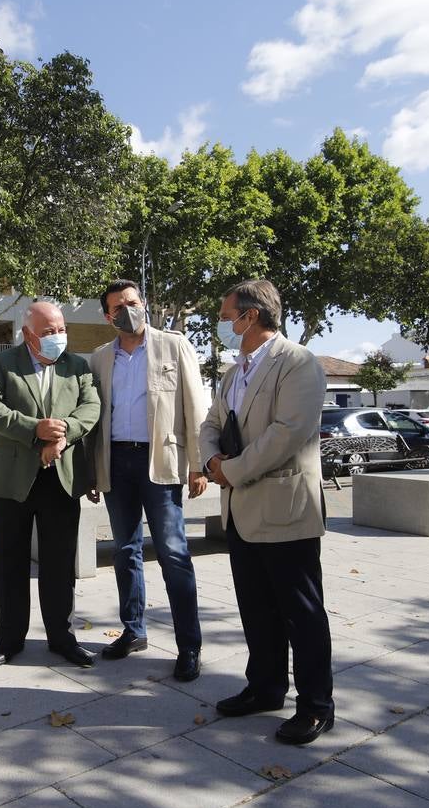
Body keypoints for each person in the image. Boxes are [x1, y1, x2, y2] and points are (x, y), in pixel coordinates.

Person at [199, 279, 334, 746]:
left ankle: (316, 705)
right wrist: (210, 459)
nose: (221, 324)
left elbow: (288, 433)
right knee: (256, 608)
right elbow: (211, 423)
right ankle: (265, 687)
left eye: (224, 315)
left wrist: (230, 470)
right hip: (240, 511)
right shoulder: (235, 372)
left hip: (284, 509)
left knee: (301, 612)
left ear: (250, 316)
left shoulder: (297, 363)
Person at [86, 280, 208, 682]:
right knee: (125, 551)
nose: (128, 309)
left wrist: (199, 464)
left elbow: (195, 405)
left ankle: (189, 645)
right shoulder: (100, 358)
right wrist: (92, 470)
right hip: (116, 462)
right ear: (107, 316)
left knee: (173, 553)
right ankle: (133, 631)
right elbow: (92, 420)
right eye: (118, 306)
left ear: (145, 304)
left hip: (162, 463)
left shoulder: (174, 345)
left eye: (133, 302)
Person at [0, 301, 101, 669]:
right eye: (48, 331)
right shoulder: (1, 364)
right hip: (10, 482)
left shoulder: (77, 366)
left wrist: (62, 436)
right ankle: (9, 639)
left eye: (61, 328)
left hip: (61, 479)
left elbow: (91, 408)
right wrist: (35, 430)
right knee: (9, 563)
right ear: (28, 334)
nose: (57, 336)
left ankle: (62, 638)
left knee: (59, 566)